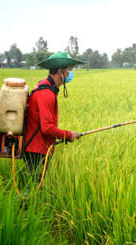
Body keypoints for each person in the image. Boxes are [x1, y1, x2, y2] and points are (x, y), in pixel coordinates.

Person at [23, 52, 85, 184]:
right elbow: (47, 128)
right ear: (61, 71)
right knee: (34, 189)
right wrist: (68, 135)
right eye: (70, 69)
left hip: (37, 146)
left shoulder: (46, 86)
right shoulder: (46, 93)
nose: (72, 72)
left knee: (37, 187)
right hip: (36, 149)